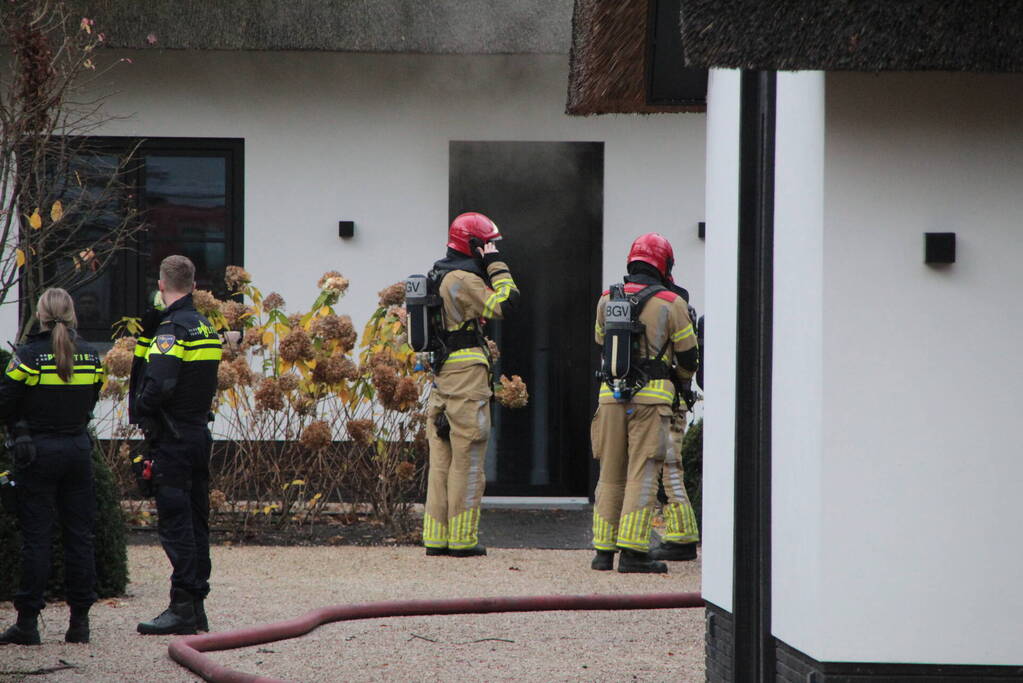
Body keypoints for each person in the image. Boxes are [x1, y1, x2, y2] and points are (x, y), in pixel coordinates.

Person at [0, 288, 105, 645]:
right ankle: (80, 623)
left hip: (37, 453)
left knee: (37, 538)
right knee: (80, 537)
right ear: (72, 314)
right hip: (77, 451)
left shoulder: (28, 357)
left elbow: (5, 403)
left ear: (41, 315)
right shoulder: (91, 356)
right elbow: (92, 401)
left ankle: (28, 623)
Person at [590, 233, 699, 573]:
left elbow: (599, 340)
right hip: (651, 400)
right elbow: (689, 356)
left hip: (609, 397)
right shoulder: (672, 304)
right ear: (663, 265)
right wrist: (677, 378)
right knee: (643, 472)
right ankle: (634, 552)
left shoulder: (607, 300)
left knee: (610, 472)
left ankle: (603, 552)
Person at [130, 255, 221, 635]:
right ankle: (195, 605)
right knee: (197, 520)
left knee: (176, 521)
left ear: (162, 286)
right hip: (197, 434)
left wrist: (140, 405)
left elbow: (160, 385)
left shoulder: (172, 331)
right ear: (195, 286)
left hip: (173, 439)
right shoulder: (204, 326)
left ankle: (182, 607)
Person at [422, 212, 519, 557]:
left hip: (442, 378)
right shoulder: (463, 278)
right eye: (488, 243)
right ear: (474, 244)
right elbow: (507, 303)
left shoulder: (437, 275)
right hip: (466, 380)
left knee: (441, 462)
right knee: (468, 458)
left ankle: (436, 539)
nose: (491, 248)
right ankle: (462, 540)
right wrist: (496, 264)